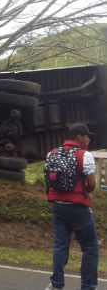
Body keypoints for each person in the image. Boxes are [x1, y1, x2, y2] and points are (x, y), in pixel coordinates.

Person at [46, 123, 98, 290]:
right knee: (90, 247)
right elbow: (92, 184)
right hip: (78, 207)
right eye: (87, 135)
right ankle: (88, 286)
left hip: (58, 206)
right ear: (78, 137)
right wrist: (85, 192)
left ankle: (56, 284)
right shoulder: (84, 155)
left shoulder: (52, 153)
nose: (89, 139)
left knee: (60, 245)